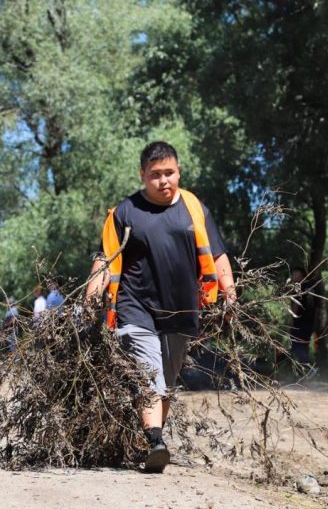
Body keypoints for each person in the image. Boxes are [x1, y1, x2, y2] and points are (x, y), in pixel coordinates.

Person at [85, 141, 236, 473]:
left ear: (179, 171)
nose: (164, 181)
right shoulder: (125, 212)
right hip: (134, 306)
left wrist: (229, 290)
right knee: (149, 373)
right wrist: (93, 291)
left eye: (169, 173)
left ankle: (150, 443)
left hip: (182, 311)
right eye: (155, 175)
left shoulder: (194, 208)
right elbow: (105, 256)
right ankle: (155, 440)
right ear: (142, 175)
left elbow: (218, 252)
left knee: (164, 382)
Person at [288, 267, 316, 379]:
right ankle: (304, 373)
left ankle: (309, 370)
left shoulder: (298, 288)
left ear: (301, 276)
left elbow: (295, 305)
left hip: (299, 324)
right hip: (309, 323)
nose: (292, 276)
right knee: (303, 347)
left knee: (297, 347)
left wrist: (291, 320)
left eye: (295, 274)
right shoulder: (310, 288)